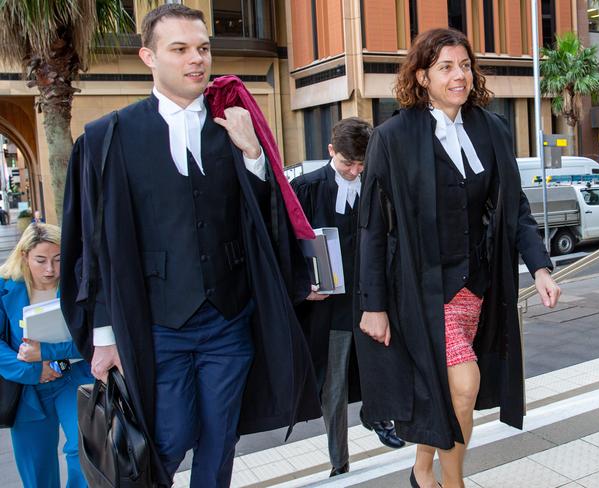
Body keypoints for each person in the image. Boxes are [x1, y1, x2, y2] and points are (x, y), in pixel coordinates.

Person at [60, 4, 319, 487]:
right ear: (148, 57)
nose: (196, 59)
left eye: (202, 48)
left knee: (221, 442)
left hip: (228, 319)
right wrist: (103, 338)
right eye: (179, 49)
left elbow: (265, 220)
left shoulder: (236, 126)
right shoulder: (106, 138)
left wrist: (254, 155)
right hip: (156, 325)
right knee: (168, 438)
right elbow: (94, 249)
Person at [356, 28, 561, 488]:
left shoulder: (492, 129)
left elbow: (515, 209)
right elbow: (373, 226)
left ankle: (421, 469)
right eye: (446, 67)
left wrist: (540, 267)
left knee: (450, 392)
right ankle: (452, 483)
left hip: (478, 287)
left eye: (465, 65)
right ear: (422, 75)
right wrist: (373, 304)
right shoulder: (392, 137)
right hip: (421, 289)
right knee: (464, 385)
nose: (459, 75)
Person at [291, 118, 404, 477]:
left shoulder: (378, 185)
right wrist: (302, 286)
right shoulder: (305, 188)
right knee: (334, 390)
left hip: (373, 299)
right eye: (347, 163)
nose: (355, 171)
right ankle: (340, 462)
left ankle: (378, 416)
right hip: (331, 309)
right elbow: (283, 247)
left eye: (361, 164)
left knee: (383, 367)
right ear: (330, 152)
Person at [0, 223, 93, 488]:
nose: (50, 269)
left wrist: (50, 354)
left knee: (83, 453)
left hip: (74, 379)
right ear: (24, 256)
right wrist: (34, 370)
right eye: (41, 260)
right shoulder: (5, 287)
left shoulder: (81, 285)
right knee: (37, 467)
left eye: (58, 259)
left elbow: (94, 339)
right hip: (27, 388)